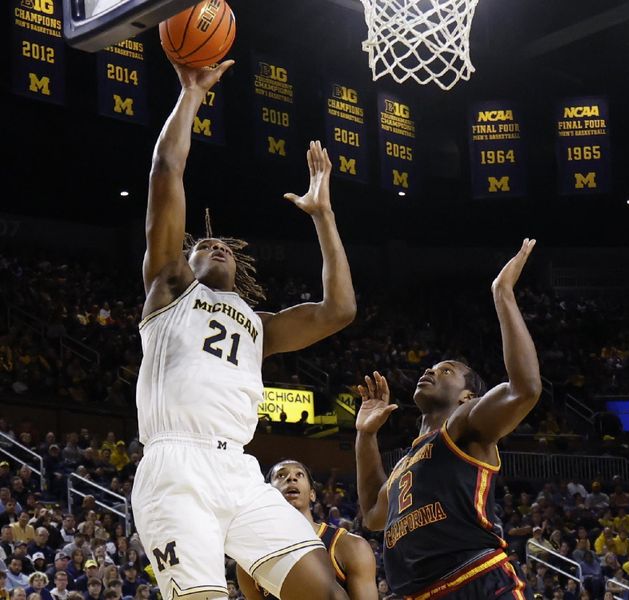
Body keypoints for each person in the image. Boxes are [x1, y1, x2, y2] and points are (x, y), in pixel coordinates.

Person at [132, 57, 355, 600]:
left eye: (224, 244)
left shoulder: (260, 326)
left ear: (242, 269)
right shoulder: (169, 288)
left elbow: (339, 310)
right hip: (174, 466)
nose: (215, 244)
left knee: (325, 592)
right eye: (202, 244)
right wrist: (191, 94)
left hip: (239, 469)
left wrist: (323, 216)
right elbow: (166, 170)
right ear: (187, 261)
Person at [355, 240, 541, 599]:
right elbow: (372, 515)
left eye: (446, 370)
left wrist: (502, 294)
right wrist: (365, 436)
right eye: (432, 367)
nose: (430, 370)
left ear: (468, 397)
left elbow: (525, 389)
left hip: (476, 580)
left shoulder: (462, 426)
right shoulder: (405, 464)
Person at [237, 460, 377, 600]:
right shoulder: (249, 560)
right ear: (268, 495)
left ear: (312, 494)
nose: (291, 478)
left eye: (299, 474)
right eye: (281, 475)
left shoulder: (350, 546)